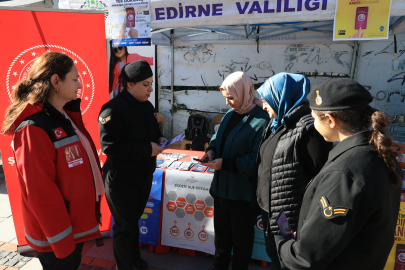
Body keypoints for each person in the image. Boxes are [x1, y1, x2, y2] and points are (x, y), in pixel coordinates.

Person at [278, 79, 403, 269]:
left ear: (329, 120)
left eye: (314, 118)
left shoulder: (345, 172)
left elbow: (306, 258)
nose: (313, 123)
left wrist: (285, 246)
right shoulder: (380, 153)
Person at [1, 52, 104, 270]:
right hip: (57, 238)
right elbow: (41, 193)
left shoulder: (64, 116)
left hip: (72, 229)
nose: (80, 85)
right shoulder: (33, 128)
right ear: (56, 81)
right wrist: (62, 242)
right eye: (75, 79)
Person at [256, 72, 332, 270]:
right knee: (275, 258)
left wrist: (307, 224)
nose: (263, 106)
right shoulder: (277, 124)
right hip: (272, 213)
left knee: (289, 264)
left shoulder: (308, 130)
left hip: (292, 220)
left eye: (267, 100)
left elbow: (321, 179)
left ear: (281, 97)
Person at [99, 60, 167, 270]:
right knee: (124, 226)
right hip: (121, 179)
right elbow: (109, 145)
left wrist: (161, 139)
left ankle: (134, 259)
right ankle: (125, 266)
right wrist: (147, 149)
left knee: (133, 221)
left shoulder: (147, 106)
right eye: (145, 84)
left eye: (151, 83)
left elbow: (151, 133)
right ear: (129, 84)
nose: (150, 88)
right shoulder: (112, 109)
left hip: (143, 176)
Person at [200, 71, 270, 270]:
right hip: (222, 192)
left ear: (244, 92)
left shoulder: (262, 120)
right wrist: (211, 151)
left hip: (242, 196)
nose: (228, 102)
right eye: (225, 98)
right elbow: (217, 138)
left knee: (241, 245)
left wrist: (226, 164)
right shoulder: (231, 115)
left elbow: (256, 160)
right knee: (221, 241)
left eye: (231, 97)